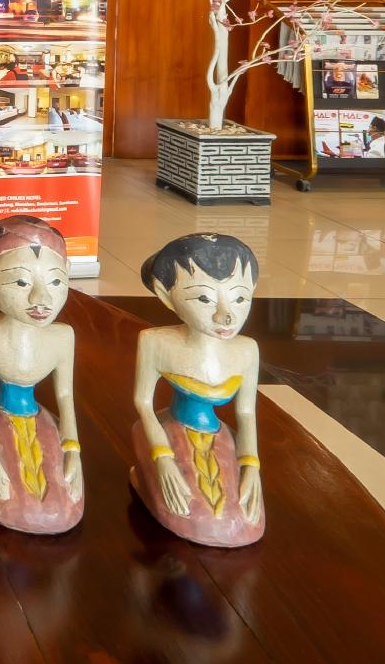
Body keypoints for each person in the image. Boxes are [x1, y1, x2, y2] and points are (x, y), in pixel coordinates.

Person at [130, 233, 265, 546]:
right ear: (166, 296)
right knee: (195, 513)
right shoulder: (156, 342)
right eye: (204, 299)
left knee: (238, 519)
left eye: (240, 298)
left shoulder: (247, 350)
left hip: (219, 436)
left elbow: (246, 413)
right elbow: (143, 403)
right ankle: (145, 477)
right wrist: (162, 457)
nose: (225, 315)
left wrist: (251, 465)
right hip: (166, 433)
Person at [0, 216, 84, 533]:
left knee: (59, 501)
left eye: (55, 282)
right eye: (21, 282)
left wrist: (72, 448)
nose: (41, 299)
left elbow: (65, 395)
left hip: (39, 419)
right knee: (13, 498)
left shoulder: (62, 336)